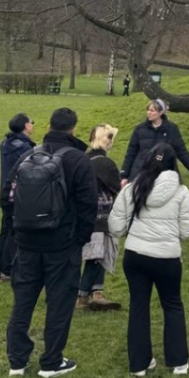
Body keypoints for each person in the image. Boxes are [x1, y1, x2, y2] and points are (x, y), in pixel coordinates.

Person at [6, 107, 97, 378]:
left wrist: (19, 231)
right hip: (62, 244)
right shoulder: (79, 160)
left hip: (27, 241)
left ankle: (17, 360)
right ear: (73, 128)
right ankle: (51, 361)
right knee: (59, 303)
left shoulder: (28, 154)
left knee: (23, 300)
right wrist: (78, 240)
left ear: (49, 125)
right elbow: (88, 206)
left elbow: (7, 194)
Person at [108, 142, 189, 377]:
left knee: (139, 306)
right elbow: (188, 230)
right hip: (167, 258)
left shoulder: (133, 188)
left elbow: (115, 226)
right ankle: (178, 361)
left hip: (136, 256)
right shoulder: (181, 191)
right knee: (172, 304)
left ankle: (139, 364)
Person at [78, 123, 123, 311]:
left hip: (81, 214)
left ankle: (97, 293)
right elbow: (117, 189)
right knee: (97, 256)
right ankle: (82, 296)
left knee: (96, 254)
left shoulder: (81, 159)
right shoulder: (105, 164)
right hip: (101, 215)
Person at [120, 99, 189, 185]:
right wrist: (124, 175)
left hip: (162, 175)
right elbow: (130, 153)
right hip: (140, 173)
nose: (148, 113)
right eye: (148, 110)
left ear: (160, 112)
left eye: (152, 110)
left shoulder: (172, 129)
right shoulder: (139, 129)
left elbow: (181, 151)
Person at [0, 113, 35, 281]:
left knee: (5, 230)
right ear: (26, 126)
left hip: (5, 191)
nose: (33, 125)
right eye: (31, 122)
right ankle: (7, 269)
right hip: (16, 194)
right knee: (14, 232)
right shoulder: (25, 148)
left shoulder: (6, 143)